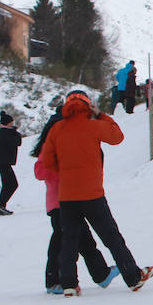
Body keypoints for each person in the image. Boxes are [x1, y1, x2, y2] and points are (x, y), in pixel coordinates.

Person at [40, 91, 153, 295]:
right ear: (88, 106)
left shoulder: (57, 129)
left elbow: (47, 161)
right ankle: (133, 277)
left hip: (67, 196)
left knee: (69, 241)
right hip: (92, 194)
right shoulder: (94, 126)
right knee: (111, 237)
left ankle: (68, 284)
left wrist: (66, 173)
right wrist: (101, 114)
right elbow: (117, 136)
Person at [30, 107, 118, 293]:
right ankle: (56, 282)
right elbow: (40, 171)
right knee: (63, 241)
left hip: (72, 199)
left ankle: (101, 274)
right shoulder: (51, 144)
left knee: (83, 240)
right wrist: (64, 171)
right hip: (59, 202)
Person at [0, 111, 22, 215]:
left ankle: (1, 206)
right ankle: (1, 204)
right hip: (5, 162)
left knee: (7, 184)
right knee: (12, 184)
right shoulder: (10, 134)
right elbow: (18, 142)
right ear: (9, 123)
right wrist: (14, 131)